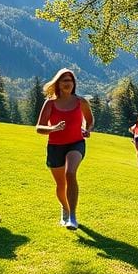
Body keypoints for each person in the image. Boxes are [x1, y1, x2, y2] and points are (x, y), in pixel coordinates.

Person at [36, 68, 94, 230]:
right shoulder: (50, 103)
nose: (67, 83)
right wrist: (53, 128)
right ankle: (65, 208)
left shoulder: (81, 102)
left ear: (74, 84)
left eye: (70, 81)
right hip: (55, 146)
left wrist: (87, 129)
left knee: (70, 173)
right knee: (61, 184)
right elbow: (39, 128)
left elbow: (89, 120)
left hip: (76, 143)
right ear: (58, 84)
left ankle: (73, 217)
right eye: (64, 80)